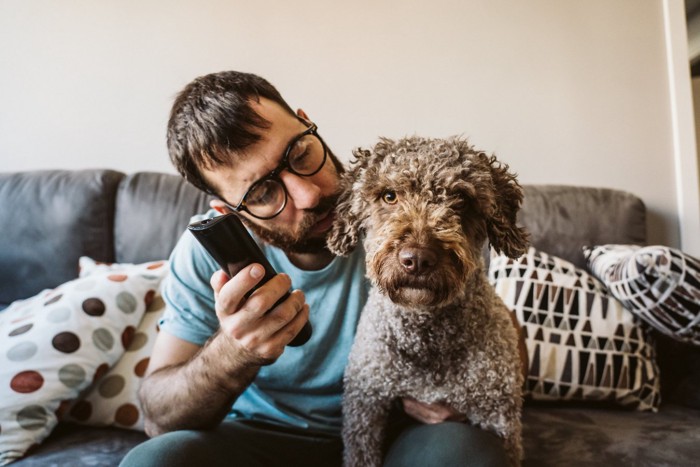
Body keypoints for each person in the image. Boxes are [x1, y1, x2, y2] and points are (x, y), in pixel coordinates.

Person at [120, 71, 510, 467]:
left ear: (308, 123)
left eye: (300, 154)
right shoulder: (205, 256)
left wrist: (461, 399)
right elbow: (158, 417)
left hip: (397, 437)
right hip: (254, 438)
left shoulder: (405, 210)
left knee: (465, 454)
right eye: (263, 192)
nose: (308, 195)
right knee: (154, 461)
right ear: (227, 212)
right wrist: (231, 354)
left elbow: (501, 337)